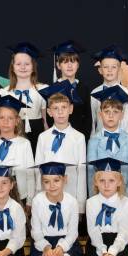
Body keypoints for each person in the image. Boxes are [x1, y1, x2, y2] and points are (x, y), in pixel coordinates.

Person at [35, 82, 88, 214]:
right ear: (49, 112)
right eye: (55, 108)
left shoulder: (79, 137)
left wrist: (80, 203)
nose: (60, 112)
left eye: (64, 107)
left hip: (71, 194)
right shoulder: (43, 137)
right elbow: (38, 168)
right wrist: (38, 195)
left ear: (71, 109)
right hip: (47, 194)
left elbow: (81, 170)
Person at [0, 94, 36, 204]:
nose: (5, 122)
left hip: (20, 195)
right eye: (1, 118)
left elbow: (30, 174)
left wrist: (30, 201)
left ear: (17, 121)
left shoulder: (24, 144)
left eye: (10, 118)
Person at [87, 86, 128, 197]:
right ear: (100, 115)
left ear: (122, 115)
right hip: (99, 196)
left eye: (115, 112)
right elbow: (91, 172)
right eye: (107, 112)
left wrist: (126, 198)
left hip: (122, 196)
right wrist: (93, 199)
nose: (111, 116)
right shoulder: (94, 141)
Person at [0, 43, 48, 149]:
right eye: (18, 64)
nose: (23, 67)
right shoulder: (5, 92)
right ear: (13, 67)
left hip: (37, 135)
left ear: (33, 67)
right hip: (14, 134)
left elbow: (45, 120)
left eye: (27, 64)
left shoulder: (42, 90)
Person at [89, 45, 128, 139]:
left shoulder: (125, 92)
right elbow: (93, 121)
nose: (109, 70)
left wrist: (126, 143)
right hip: (100, 140)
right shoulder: (94, 93)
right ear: (100, 70)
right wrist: (92, 140)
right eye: (106, 67)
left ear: (119, 70)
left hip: (120, 140)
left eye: (114, 67)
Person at [50, 40, 92, 138]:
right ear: (58, 65)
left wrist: (84, 138)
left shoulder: (83, 88)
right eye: (65, 62)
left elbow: (88, 117)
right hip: (57, 136)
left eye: (73, 61)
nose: (69, 65)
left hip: (79, 138)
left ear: (78, 65)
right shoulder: (53, 89)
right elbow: (49, 118)